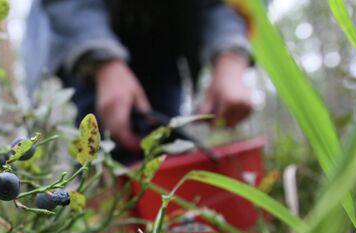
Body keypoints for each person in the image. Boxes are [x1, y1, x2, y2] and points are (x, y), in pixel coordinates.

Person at [24, 0, 254, 164]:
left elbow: (218, 7)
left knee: (162, 147)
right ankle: (103, 216)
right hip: (81, 35)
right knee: (101, 150)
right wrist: (102, 62)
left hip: (161, 42)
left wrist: (230, 57)